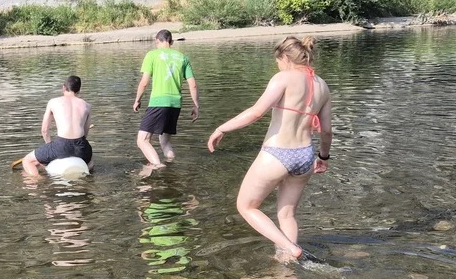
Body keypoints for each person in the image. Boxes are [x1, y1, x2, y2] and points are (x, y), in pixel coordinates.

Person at [206, 36, 333, 262]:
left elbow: (256, 112)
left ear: (285, 57)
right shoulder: (322, 85)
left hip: (277, 153)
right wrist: (323, 157)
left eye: (278, 61)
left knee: (246, 206)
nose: (277, 65)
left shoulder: (283, 78)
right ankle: (286, 264)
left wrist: (221, 128)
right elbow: (326, 131)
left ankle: (290, 249)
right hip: (305, 156)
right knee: (287, 214)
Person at [134, 29, 199, 167]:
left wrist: (137, 100)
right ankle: (171, 166)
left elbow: (144, 82)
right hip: (175, 105)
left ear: (157, 41)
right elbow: (192, 84)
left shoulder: (152, 55)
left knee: (142, 140)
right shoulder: (183, 57)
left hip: (158, 102)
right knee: (165, 142)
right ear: (171, 42)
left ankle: (158, 166)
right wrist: (195, 105)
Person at [21, 75, 93, 177]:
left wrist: (50, 146)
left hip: (61, 145)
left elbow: (44, 130)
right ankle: (88, 177)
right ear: (79, 90)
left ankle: (37, 180)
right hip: (80, 147)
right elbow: (85, 134)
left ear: (63, 88)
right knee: (90, 161)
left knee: (27, 161)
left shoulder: (53, 102)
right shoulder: (87, 106)